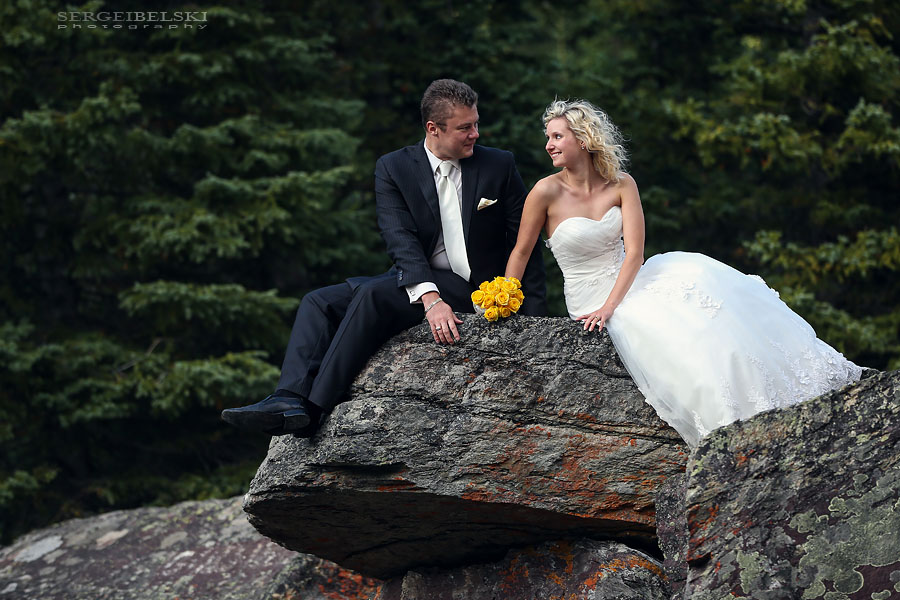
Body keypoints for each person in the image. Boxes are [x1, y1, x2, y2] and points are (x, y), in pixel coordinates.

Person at [505, 99, 862, 447]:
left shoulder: (620, 184)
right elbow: (522, 251)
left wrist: (610, 308)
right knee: (673, 337)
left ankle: (778, 393)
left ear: (582, 139)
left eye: (557, 137)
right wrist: (504, 297)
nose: (548, 145)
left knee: (702, 297)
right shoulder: (545, 191)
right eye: (549, 137)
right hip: (587, 294)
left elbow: (635, 255)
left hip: (629, 283)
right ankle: (734, 428)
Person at [222, 79, 547, 437]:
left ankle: (312, 410)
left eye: (475, 123)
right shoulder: (394, 167)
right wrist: (430, 298)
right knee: (319, 301)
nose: (475, 134)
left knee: (372, 295)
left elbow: (524, 241)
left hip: (474, 288)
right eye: (465, 128)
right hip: (419, 277)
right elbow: (400, 238)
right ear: (433, 129)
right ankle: (287, 397)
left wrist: (530, 312)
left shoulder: (498, 165)